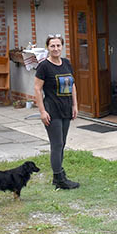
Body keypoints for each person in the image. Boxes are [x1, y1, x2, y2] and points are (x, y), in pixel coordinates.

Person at [34, 34, 79, 190]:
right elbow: (37, 89)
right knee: (57, 143)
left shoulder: (66, 63)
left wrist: (75, 105)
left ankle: (59, 175)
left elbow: (72, 85)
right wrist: (42, 111)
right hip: (52, 110)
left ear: (62, 46)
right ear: (48, 47)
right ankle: (58, 178)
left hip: (66, 108)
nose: (56, 49)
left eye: (58, 45)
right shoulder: (44, 66)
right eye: (52, 46)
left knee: (62, 143)